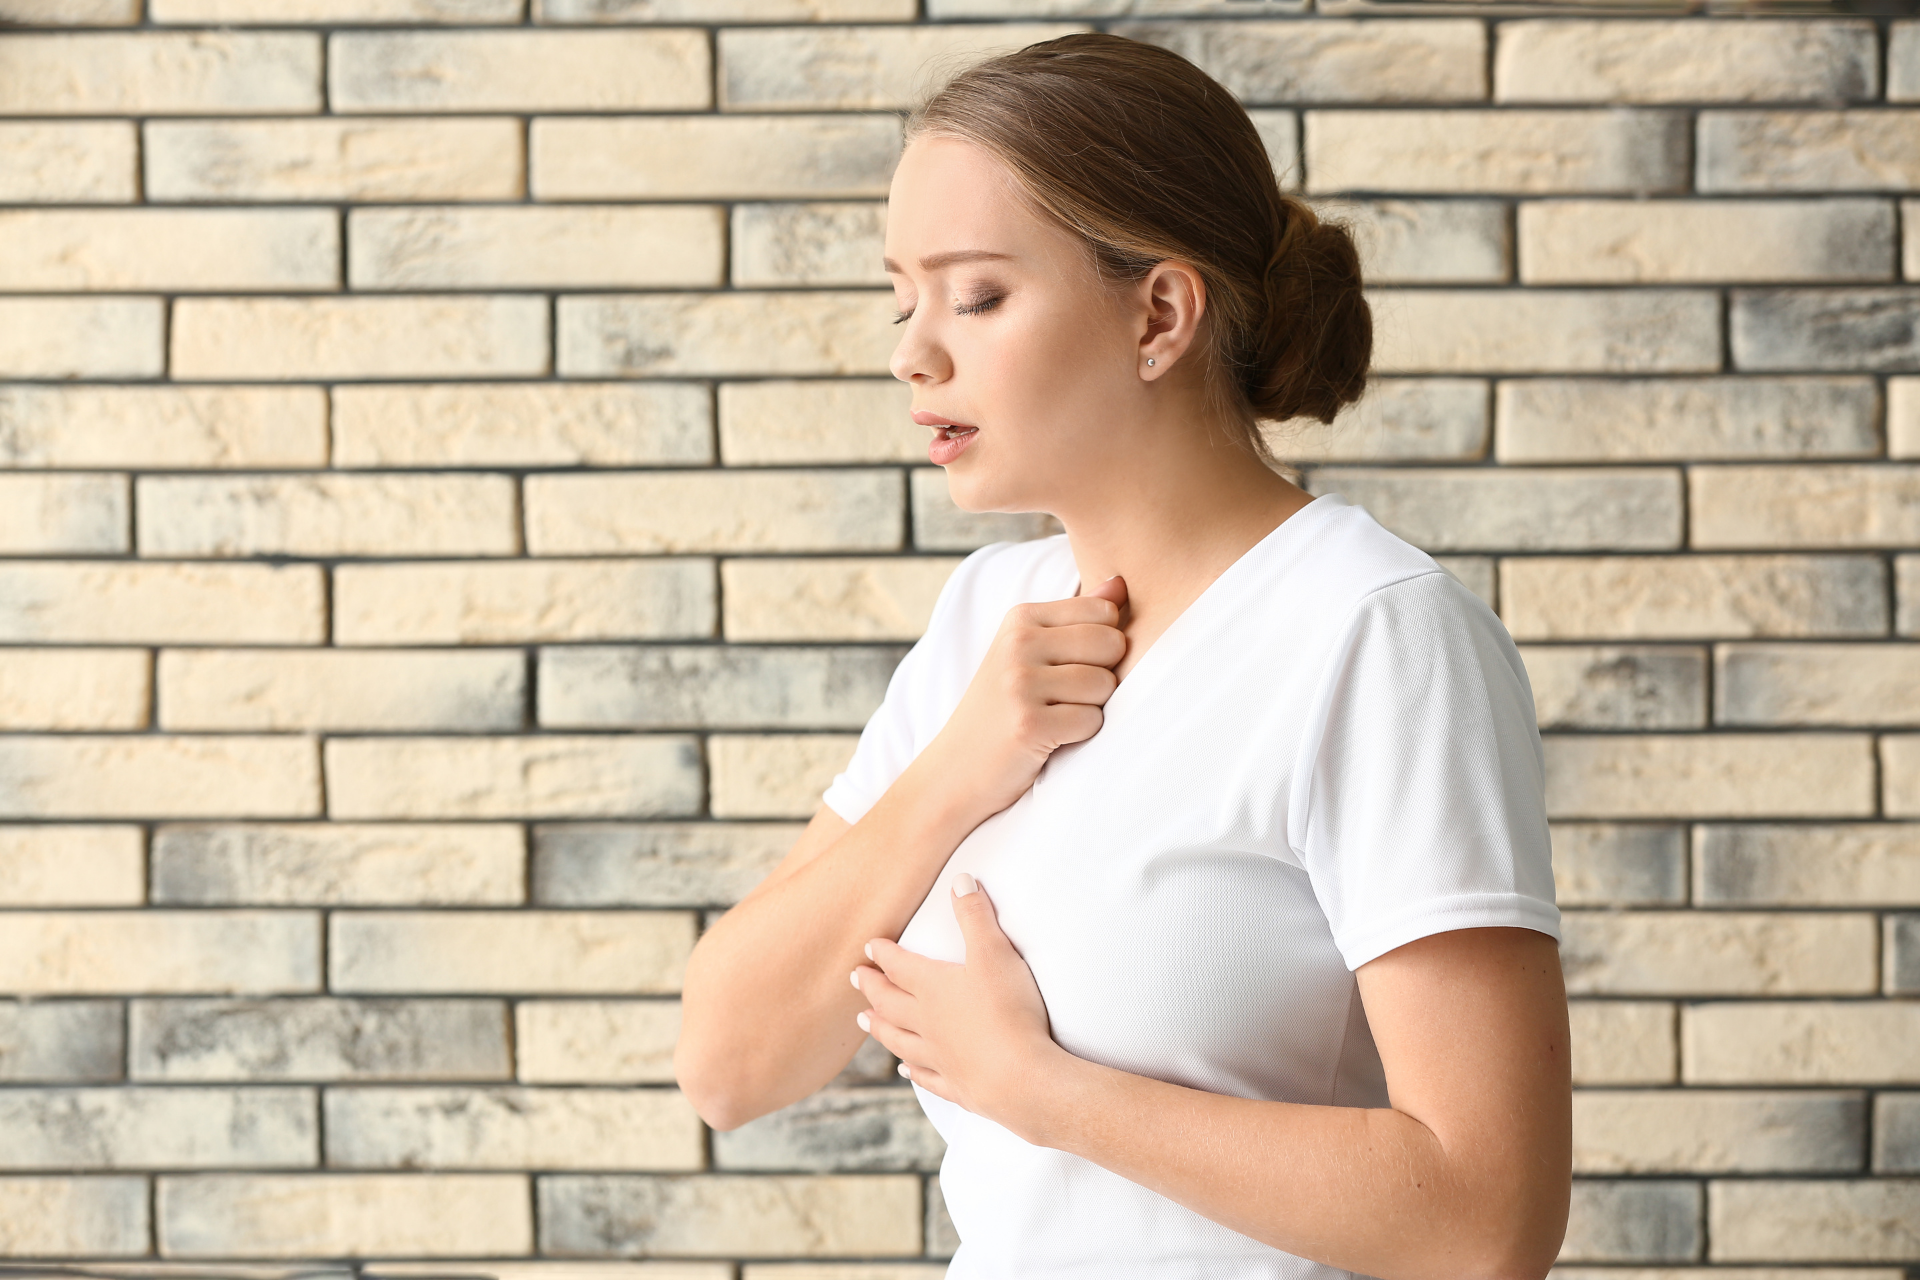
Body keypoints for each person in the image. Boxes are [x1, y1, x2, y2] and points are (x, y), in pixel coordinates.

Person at [676, 31, 1570, 1280]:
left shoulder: (1372, 632)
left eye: (977, 294)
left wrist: (1042, 1089)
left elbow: (1487, 1221)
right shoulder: (990, 619)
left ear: (1158, 311)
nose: (912, 350)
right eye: (903, 297)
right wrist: (957, 767)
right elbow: (728, 1063)